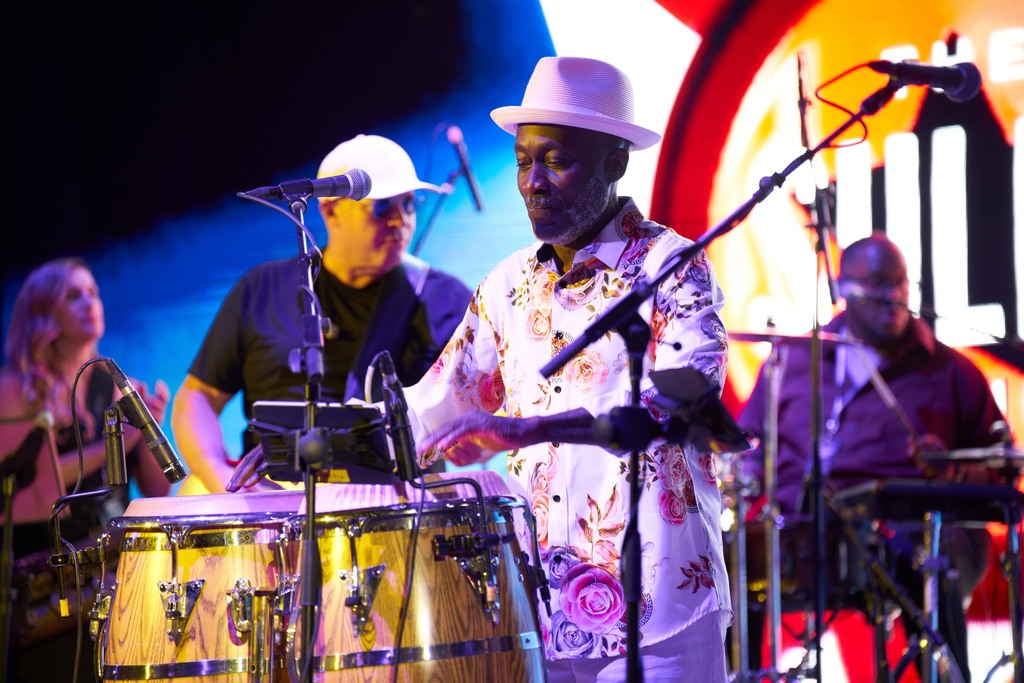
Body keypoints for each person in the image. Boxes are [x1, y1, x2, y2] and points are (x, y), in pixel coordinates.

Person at [403, 56, 732, 682]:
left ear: (615, 163)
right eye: (523, 161)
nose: (533, 182)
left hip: (657, 610)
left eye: (557, 160)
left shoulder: (672, 267)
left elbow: (679, 403)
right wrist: (314, 443)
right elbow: (434, 405)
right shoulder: (507, 283)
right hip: (540, 605)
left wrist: (528, 428)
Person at [735, 233, 1008, 681]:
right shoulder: (795, 358)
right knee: (733, 561)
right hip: (804, 531)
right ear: (843, 290)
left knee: (932, 564)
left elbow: (1001, 469)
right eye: (879, 283)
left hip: (910, 531)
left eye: (900, 283)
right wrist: (740, 477)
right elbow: (748, 443)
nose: (894, 295)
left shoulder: (951, 371)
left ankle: (948, 674)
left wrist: (953, 469)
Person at [172, 133, 473, 494]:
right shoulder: (262, 288)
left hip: (399, 504)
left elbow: (483, 413)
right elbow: (198, 397)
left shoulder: (447, 300)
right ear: (330, 211)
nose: (401, 221)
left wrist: (476, 438)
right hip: (267, 504)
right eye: (382, 207)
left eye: (409, 204)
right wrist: (220, 477)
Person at [0, 257, 172, 682]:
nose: (89, 303)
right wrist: (114, 444)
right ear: (45, 313)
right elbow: (37, 484)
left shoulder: (115, 382)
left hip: (111, 563)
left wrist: (151, 430)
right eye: (73, 295)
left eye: (93, 293)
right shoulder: (16, 389)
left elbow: (156, 490)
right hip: (45, 569)